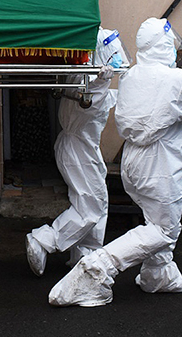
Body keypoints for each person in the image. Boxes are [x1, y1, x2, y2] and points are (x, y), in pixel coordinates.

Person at [48, 17, 182, 307]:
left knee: (154, 219)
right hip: (159, 164)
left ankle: (158, 275)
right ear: (164, 45)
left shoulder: (131, 76)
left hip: (132, 162)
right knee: (164, 229)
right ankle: (97, 267)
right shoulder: (175, 80)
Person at [25, 27, 127, 276]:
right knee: (91, 207)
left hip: (81, 148)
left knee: (96, 202)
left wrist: (105, 82)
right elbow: (90, 103)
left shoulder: (82, 81)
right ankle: (44, 240)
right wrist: (102, 81)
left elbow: (105, 98)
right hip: (77, 149)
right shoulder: (88, 87)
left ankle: (86, 256)